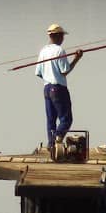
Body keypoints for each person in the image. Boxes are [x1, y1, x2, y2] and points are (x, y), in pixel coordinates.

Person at [34, 23, 82, 155]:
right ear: (58, 36)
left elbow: (38, 73)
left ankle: (51, 147)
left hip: (46, 88)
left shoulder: (43, 51)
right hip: (58, 88)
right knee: (66, 119)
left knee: (51, 119)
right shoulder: (59, 51)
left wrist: (49, 75)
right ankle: (57, 139)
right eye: (62, 36)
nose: (63, 38)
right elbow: (65, 71)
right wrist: (77, 59)